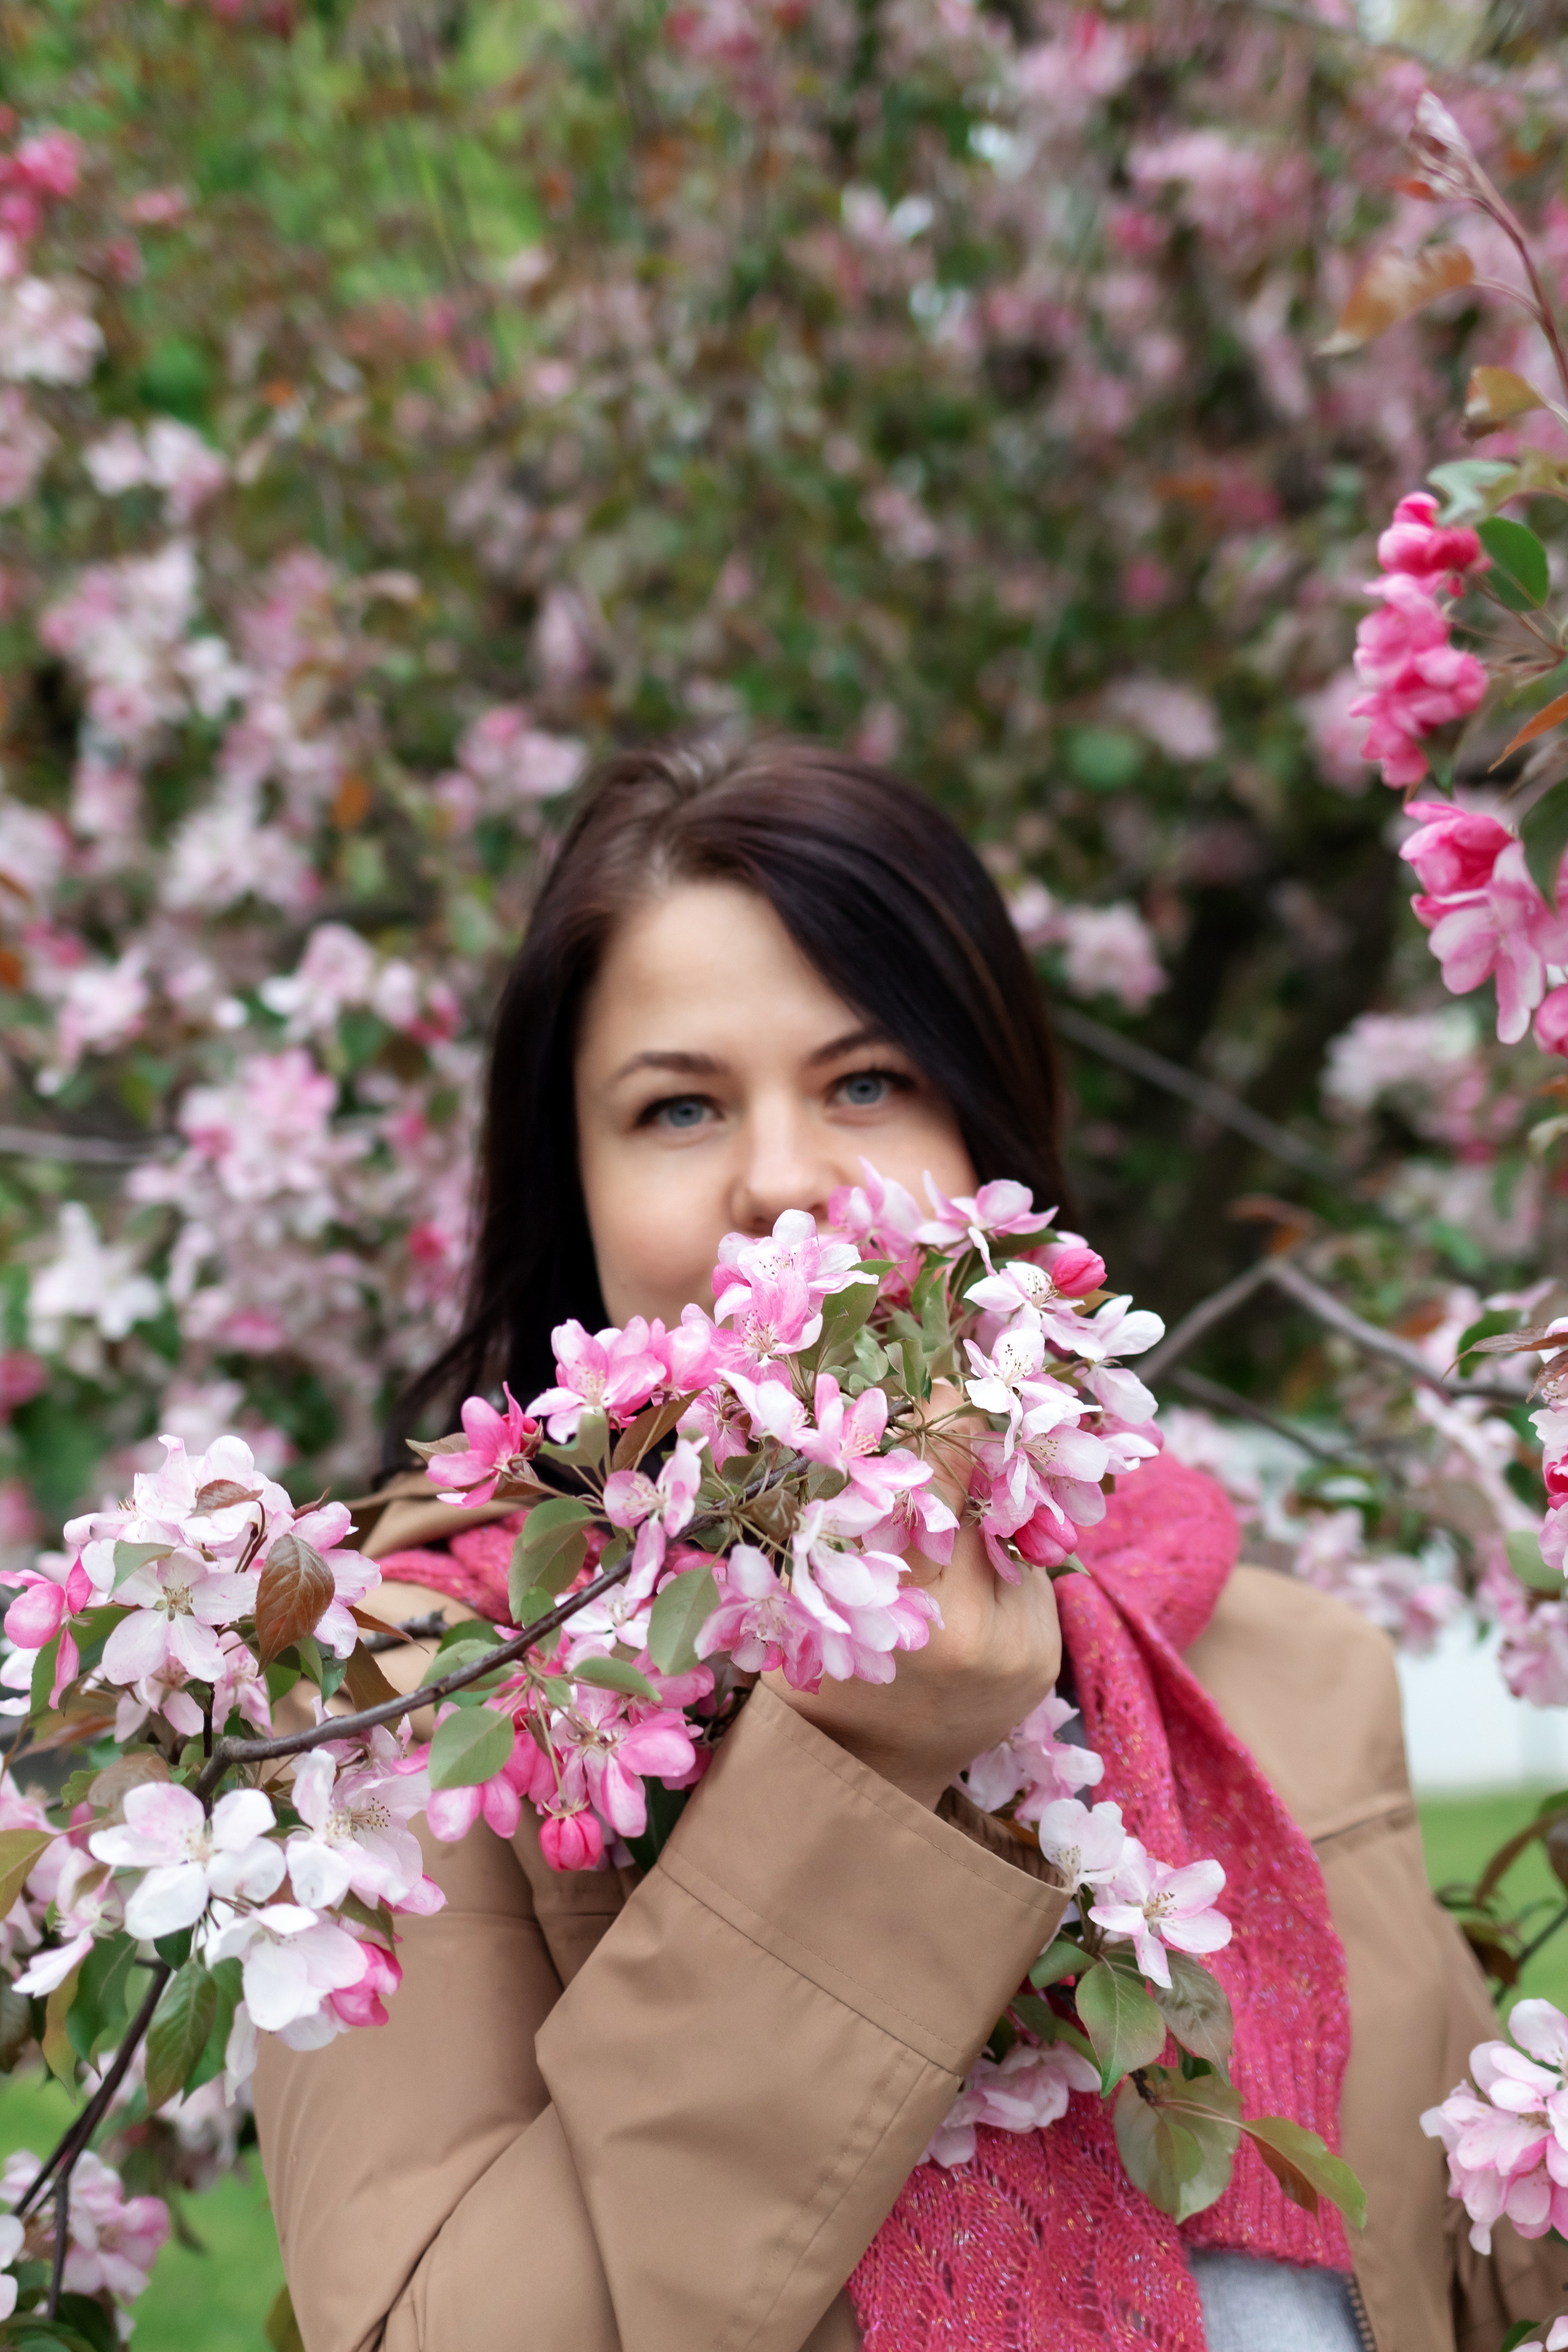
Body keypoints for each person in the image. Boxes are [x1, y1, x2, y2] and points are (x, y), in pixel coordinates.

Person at [254, 737, 1563, 2352]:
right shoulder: (418, 1715)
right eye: (678, 1107)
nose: (785, 1182)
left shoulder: (1286, 1668)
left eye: (868, 1083)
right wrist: (865, 1773)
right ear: (571, 1189)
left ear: (992, 1140)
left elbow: (1466, 2278)